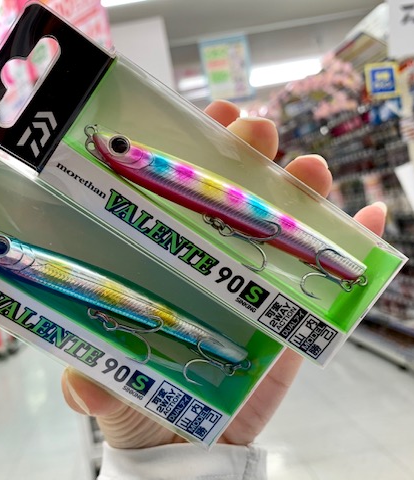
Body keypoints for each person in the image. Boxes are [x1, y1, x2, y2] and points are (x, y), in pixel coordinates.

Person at [61, 100, 387, 480]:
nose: (116, 148)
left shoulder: (149, 163)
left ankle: (340, 269)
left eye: (120, 147)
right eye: (118, 149)